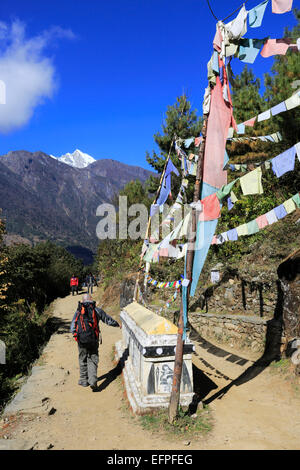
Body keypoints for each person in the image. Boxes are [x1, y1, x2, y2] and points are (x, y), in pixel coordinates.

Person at [70, 293, 121, 391]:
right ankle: (93, 381)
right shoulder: (96, 310)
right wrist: (117, 324)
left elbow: (72, 327)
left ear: (82, 301)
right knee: (93, 359)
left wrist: (77, 336)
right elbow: (107, 319)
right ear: (91, 299)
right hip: (94, 339)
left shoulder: (78, 311)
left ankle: (84, 380)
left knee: (82, 359)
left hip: (81, 341)